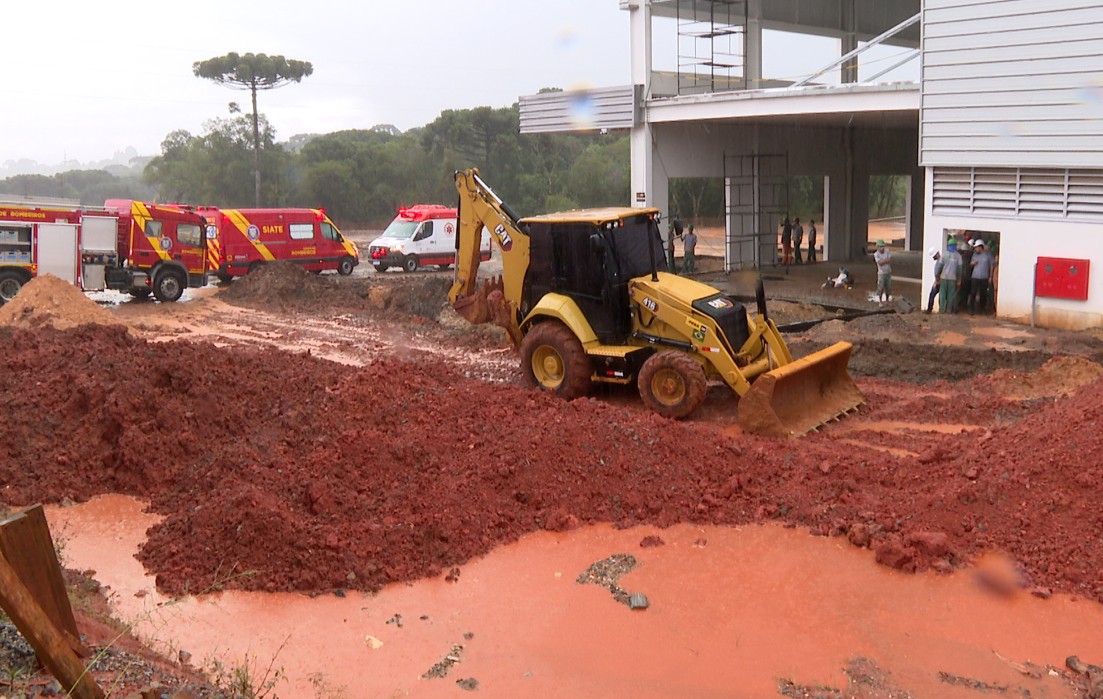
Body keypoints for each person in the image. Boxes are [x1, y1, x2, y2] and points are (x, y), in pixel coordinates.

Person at [969, 239, 993, 314]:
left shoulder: (988, 255)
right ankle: (971, 309)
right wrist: (973, 263)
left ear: (981, 247)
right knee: (973, 293)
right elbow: (971, 263)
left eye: (976, 247)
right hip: (975, 277)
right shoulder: (975, 255)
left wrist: (990, 276)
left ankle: (982, 309)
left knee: (983, 294)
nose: (976, 249)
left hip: (984, 277)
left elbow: (992, 265)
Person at [939, 239, 962, 313]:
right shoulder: (958, 256)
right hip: (952, 278)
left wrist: (937, 276)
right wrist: (959, 280)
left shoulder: (944, 254)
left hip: (943, 277)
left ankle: (942, 309)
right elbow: (959, 269)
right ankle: (949, 310)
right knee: (951, 295)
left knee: (942, 294)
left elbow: (939, 266)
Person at [873, 239, 892, 305]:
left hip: (888, 272)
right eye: (880, 246)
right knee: (880, 287)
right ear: (877, 247)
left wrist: (883, 261)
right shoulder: (876, 254)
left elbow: (889, 260)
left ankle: (887, 300)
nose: (882, 248)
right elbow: (880, 263)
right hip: (881, 273)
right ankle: (880, 301)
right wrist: (885, 261)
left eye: (882, 246)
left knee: (888, 287)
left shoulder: (887, 251)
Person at [924, 247, 942, 313]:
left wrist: (936, 282)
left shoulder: (940, 262)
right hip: (939, 281)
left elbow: (938, 273)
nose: (933, 258)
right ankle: (930, 309)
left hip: (939, 282)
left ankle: (929, 309)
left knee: (932, 294)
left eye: (934, 256)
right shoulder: (940, 261)